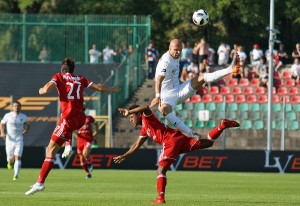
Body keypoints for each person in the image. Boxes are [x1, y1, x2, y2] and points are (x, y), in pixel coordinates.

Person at [25, 57, 119, 195]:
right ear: (73, 70)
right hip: (81, 118)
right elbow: (99, 87)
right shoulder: (80, 79)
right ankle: (68, 145)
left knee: (50, 150)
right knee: (60, 137)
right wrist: (112, 89)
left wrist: (40, 90)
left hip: (68, 118)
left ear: (62, 70)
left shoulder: (59, 77)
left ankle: (40, 183)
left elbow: (45, 90)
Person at [113, 104, 240, 204]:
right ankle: (222, 126)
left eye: (131, 117)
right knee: (208, 143)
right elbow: (136, 145)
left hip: (170, 141)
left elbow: (146, 107)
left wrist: (129, 111)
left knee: (160, 170)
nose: (130, 119)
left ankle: (160, 199)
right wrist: (125, 156)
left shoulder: (147, 117)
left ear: (139, 114)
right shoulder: (144, 129)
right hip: (178, 138)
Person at [150, 39, 240, 140]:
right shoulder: (166, 61)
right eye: (176, 50)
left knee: (202, 77)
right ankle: (192, 134)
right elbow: (158, 79)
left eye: (180, 50)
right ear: (169, 48)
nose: (178, 52)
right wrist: (157, 96)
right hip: (166, 97)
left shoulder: (175, 55)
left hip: (179, 90)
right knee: (164, 111)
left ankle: (230, 69)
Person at [0, 101, 30, 180]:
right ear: (12, 107)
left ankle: (15, 175)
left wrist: (26, 130)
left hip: (19, 139)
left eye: (18, 106)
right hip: (9, 140)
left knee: (18, 157)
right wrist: (2, 133)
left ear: (20, 107)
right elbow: (2, 123)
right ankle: (9, 162)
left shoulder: (23, 116)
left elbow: (28, 125)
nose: (16, 107)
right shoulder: (8, 115)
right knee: (10, 158)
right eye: (15, 106)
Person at [64, 114, 99, 179]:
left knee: (85, 153)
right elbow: (71, 127)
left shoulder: (89, 117)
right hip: (80, 140)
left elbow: (96, 123)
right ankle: (87, 173)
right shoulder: (76, 118)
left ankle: (89, 162)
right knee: (81, 158)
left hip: (88, 139)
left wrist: (97, 133)